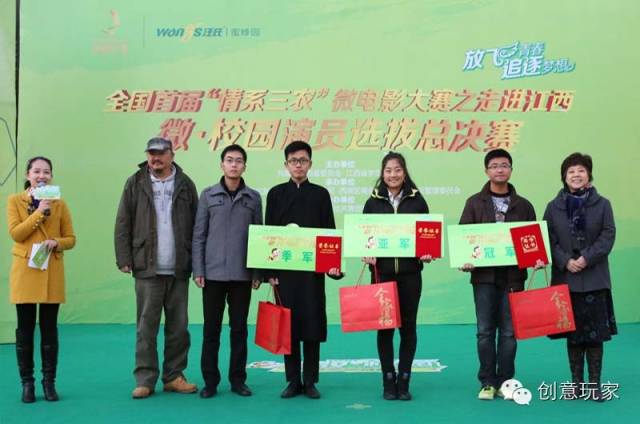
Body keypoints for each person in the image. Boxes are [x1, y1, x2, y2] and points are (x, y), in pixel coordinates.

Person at [114, 137, 199, 399]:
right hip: (146, 267)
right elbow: (123, 221)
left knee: (179, 327)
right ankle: (145, 379)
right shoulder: (135, 182)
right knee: (146, 327)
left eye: (161, 153)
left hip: (178, 267)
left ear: (172, 155)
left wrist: (197, 263)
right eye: (152, 153)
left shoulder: (185, 184)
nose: (156, 158)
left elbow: (198, 226)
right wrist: (123, 257)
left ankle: (174, 376)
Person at [264, 141, 342, 399]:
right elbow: (268, 234)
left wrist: (332, 265)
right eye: (293, 161)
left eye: (303, 160)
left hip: (312, 273)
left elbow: (329, 231)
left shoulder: (321, 194)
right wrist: (270, 272)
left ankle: (310, 381)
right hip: (285, 273)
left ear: (310, 164)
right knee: (287, 326)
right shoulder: (275, 194)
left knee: (312, 324)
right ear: (286, 164)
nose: (298, 165)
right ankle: (292, 380)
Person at [458, 149, 536, 400]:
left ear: (511, 169)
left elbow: (532, 241)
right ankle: (487, 382)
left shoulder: (524, 205)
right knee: (484, 331)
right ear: (486, 171)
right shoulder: (474, 203)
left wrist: (536, 258)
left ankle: (506, 381)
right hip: (484, 278)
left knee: (510, 333)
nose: (499, 169)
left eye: (504, 165)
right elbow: (464, 238)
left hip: (513, 277)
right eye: (494, 166)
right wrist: (465, 259)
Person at [543, 153, 616, 401]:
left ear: (589, 175)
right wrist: (565, 260)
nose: (576, 175)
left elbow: (608, 235)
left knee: (595, 336)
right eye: (571, 171)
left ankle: (594, 385)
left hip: (595, 278)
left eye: (581, 170)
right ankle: (576, 384)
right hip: (567, 280)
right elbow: (548, 238)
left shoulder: (603, 204)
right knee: (573, 335)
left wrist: (586, 258)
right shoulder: (553, 207)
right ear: (564, 177)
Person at [192, 145, 263, 399]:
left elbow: (259, 237)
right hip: (212, 275)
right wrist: (198, 269)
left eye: (239, 161)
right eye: (229, 160)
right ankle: (210, 381)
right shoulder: (208, 195)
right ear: (221, 164)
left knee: (239, 330)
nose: (234, 165)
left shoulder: (253, 198)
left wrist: (257, 273)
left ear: (244, 166)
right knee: (211, 331)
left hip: (242, 276)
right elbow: (199, 235)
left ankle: (238, 380)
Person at [362, 152, 432, 401]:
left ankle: (404, 380)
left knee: (408, 328)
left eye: (398, 170)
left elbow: (427, 236)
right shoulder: (372, 203)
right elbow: (364, 237)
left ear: (405, 172)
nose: (393, 175)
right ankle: (388, 380)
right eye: (388, 170)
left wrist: (427, 252)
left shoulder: (417, 201)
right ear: (382, 173)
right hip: (382, 275)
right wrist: (366, 252)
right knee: (385, 329)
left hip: (410, 275)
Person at [8, 156, 76, 403]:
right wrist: (38, 212)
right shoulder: (15, 201)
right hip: (26, 271)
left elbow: (71, 238)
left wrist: (56, 242)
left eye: (46, 172)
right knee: (25, 330)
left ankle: (49, 382)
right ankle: (27, 383)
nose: (41, 176)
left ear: (51, 176)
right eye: (36, 171)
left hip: (51, 271)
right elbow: (17, 234)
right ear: (28, 175)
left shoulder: (60, 204)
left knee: (49, 330)